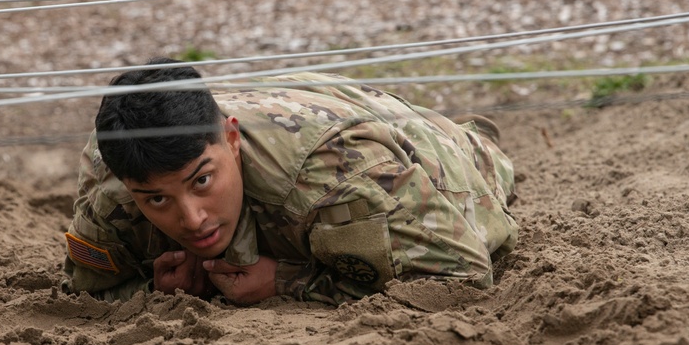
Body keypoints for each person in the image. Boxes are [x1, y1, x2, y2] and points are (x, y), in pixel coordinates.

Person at [62, 59, 519, 306]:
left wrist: (289, 281)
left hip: (423, 145)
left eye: (202, 181)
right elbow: (85, 289)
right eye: (157, 198)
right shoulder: (112, 181)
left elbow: (463, 275)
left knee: (474, 153)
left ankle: (471, 135)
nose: (190, 218)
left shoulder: (338, 172)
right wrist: (154, 294)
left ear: (232, 139)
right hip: (285, 103)